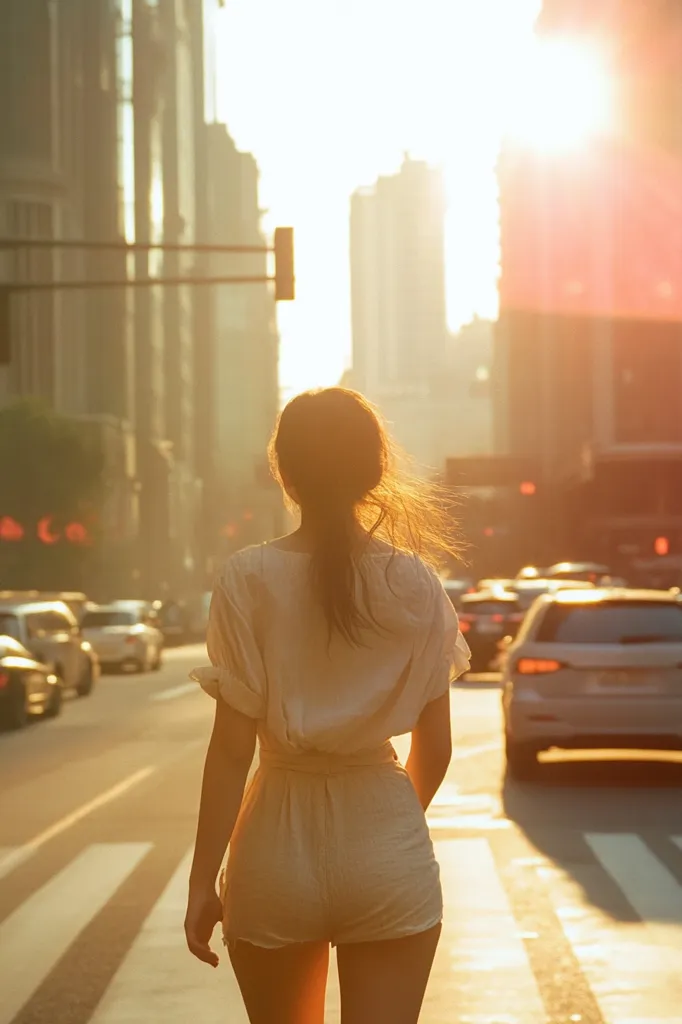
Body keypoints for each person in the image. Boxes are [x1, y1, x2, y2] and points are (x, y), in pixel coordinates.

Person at [184, 388, 470, 1024]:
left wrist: (204, 879)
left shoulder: (246, 577)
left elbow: (231, 750)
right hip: (384, 836)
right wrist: (387, 830)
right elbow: (438, 745)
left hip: (274, 849)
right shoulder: (416, 583)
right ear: (375, 471)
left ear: (283, 472)